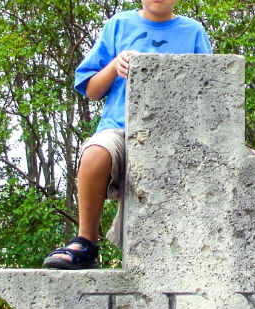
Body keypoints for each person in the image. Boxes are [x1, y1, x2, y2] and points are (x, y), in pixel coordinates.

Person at [44, 0, 212, 269]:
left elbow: (210, 90)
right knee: (94, 153)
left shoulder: (193, 32)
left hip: (177, 135)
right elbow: (91, 90)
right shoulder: (119, 25)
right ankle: (86, 242)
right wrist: (115, 65)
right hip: (120, 129)